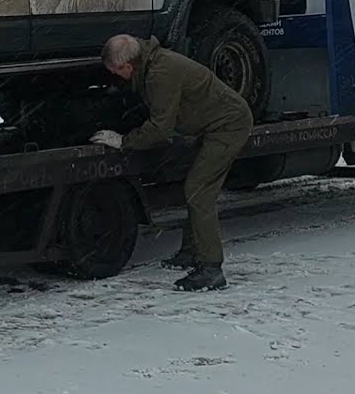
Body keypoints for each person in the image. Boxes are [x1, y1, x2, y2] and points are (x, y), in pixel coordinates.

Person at [89, 34, 254, 292]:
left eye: (115, 72)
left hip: (228, 126)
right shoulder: (152, 63)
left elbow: (159, 128)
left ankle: (211, 268)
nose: (116, 77)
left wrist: (124, 141)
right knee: (194, 186)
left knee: (199, 191)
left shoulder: (160, 74)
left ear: (127, 66)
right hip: (209, 125)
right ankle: (190, 252)